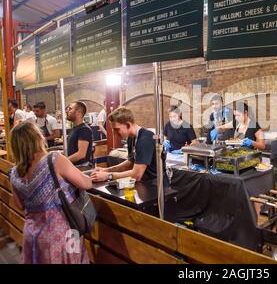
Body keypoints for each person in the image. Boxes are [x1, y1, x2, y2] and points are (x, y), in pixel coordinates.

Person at [9, 121, 91, 264]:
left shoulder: (14, 173)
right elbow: (86, 183)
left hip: (33, 236)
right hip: (64, 235)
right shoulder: (53, 159)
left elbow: (20, 205)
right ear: (38, 137)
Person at [91, 107, 165, 184]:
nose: (114, 133)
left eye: (116, 129)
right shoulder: (131, 138)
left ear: (128, 125)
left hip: (156, 186)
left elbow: (137, 175)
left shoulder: (145, 140)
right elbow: (130, 162)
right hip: (144, 183)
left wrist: (108, 176)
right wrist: (107, 170)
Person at [66, 101, 93, 168]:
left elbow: (81, 154)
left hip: (81, 168)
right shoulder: (75, 128)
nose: (67, 111)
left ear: (78, 112)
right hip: (74, 166)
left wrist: (64, 162)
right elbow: (72, 149)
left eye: (70, 109)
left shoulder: (84, 129)